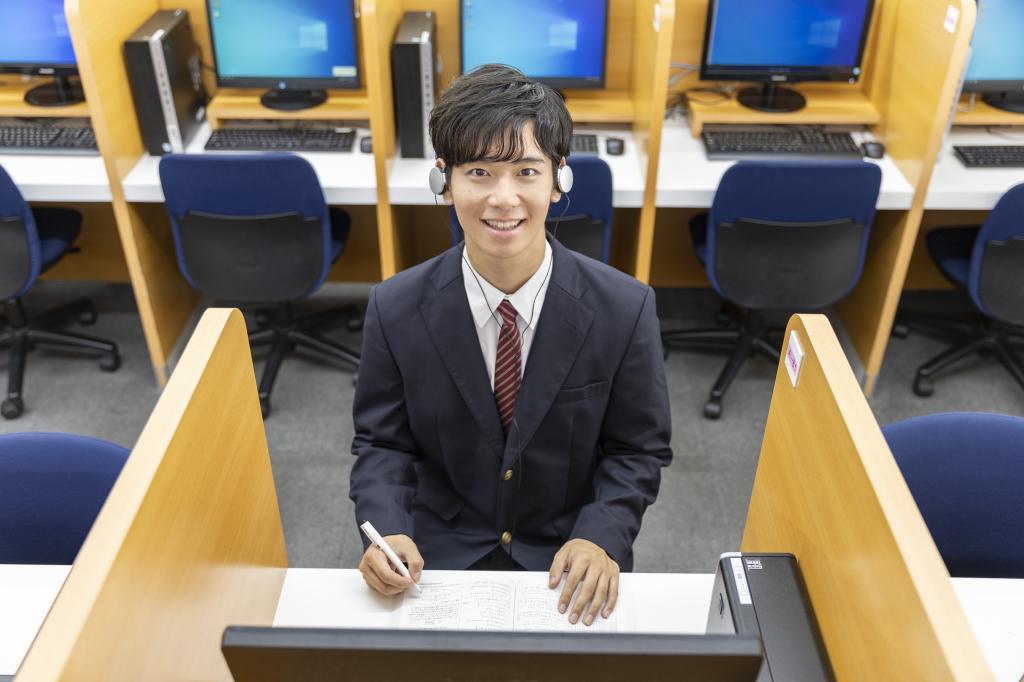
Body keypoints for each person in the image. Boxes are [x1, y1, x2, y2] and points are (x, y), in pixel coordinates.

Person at [350, 64, 672, 626]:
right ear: (444, 183)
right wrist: (388, 527)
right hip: (437, 558)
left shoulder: (625, 308)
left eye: (526, 171)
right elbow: (382, 444)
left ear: (558, 181)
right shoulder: (395, 307)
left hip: (568, 557)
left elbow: (637, 450)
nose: (504, 198)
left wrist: (602, 534)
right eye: (479, 171)